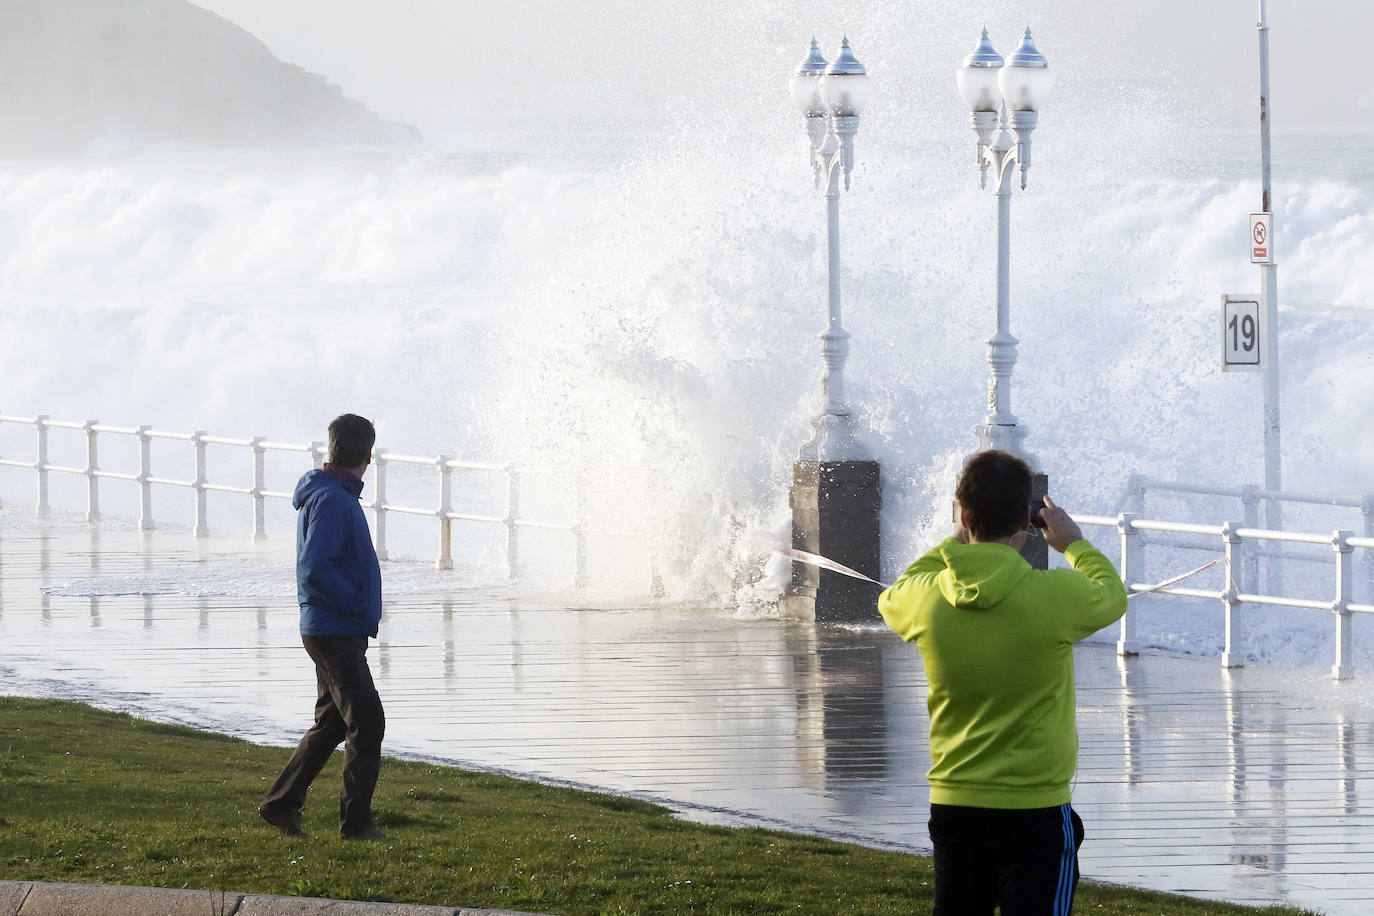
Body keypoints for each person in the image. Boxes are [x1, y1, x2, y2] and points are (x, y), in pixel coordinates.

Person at [877, 449, 1127, 915]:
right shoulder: (1053, 597)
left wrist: (955, 541)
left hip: (955, 801)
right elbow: (1112, 595)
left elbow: (895, 593)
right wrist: (1073, 544)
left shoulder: (927, 599)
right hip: (1035, 806)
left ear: (964, 515)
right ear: (1026, 521)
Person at [259, 413, 386, 841]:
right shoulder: (334, 500)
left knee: (333, 723)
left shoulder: (332, 494)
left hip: (329, 626)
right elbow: (315, 568)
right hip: (334, 629)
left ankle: (281, 804)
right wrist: (355, 606)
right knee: (367, 721)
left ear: (331, 449)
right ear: (369, 454)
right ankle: (356, 825)